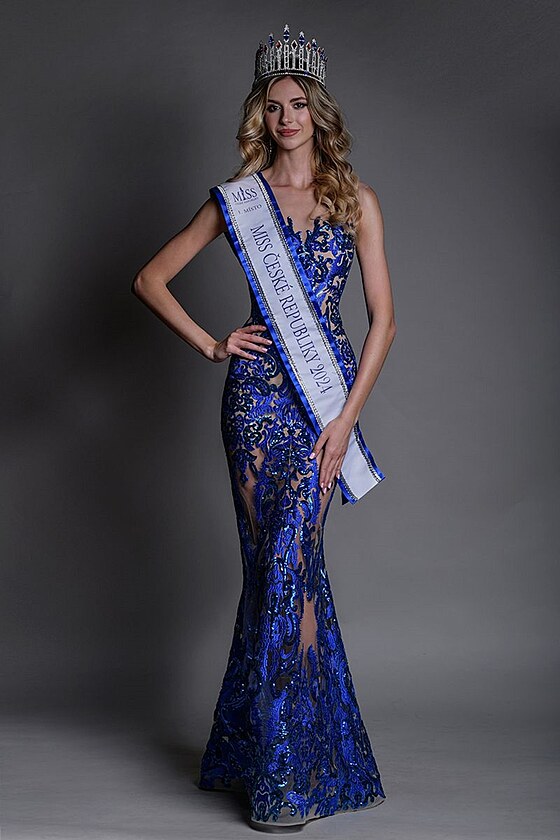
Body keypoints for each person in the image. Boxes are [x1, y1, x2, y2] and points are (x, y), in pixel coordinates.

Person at [133, 23, 396, 831]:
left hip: (321, 408)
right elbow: (150, 278)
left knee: (292, 565)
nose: (287, 118)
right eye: (275, 106)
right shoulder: (237, 200)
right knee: (269, 575)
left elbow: (384, 321)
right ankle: (271, 761)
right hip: (252, 407)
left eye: (299, 105)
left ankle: (291, 767)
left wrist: (347, 420)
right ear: (261, 114)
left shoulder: (356, 200)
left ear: (319, 112)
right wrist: (213, 344)